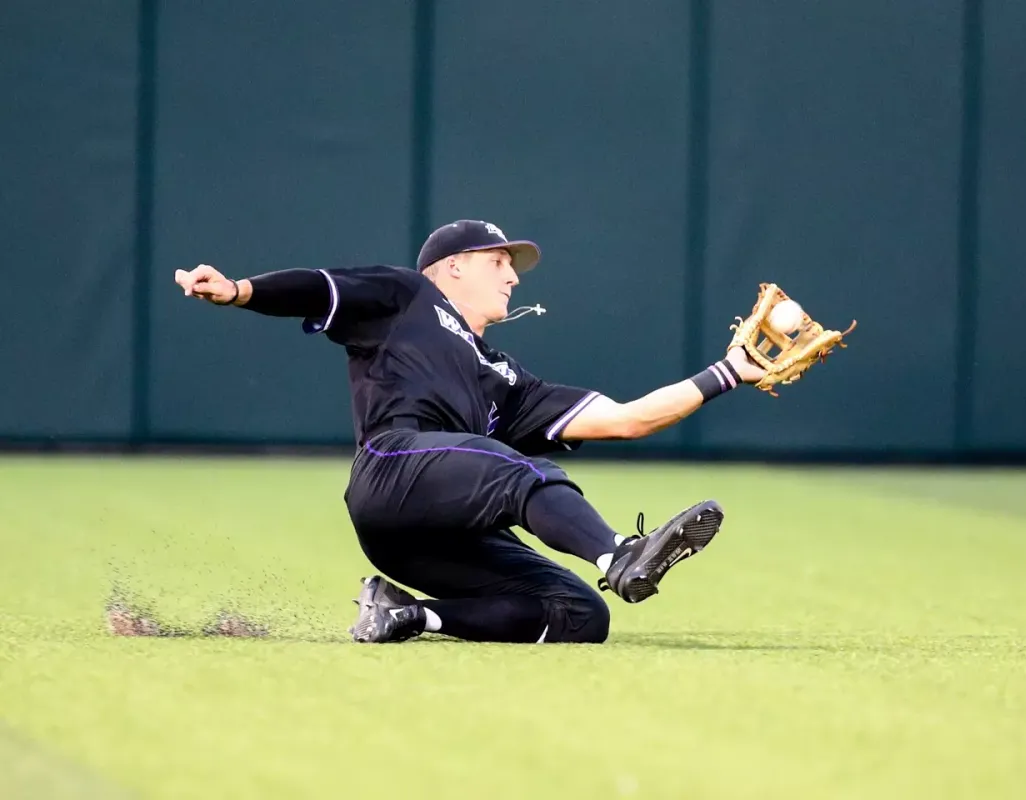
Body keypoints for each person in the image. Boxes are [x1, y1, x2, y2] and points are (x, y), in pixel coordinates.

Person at [174, 220, 766, 645]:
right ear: (453, 266)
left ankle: (407, 616)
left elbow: (629, 418)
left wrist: (730, 372)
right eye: (498, 261)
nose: (512, 276)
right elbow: (318, 286)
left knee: (581, 614)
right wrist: (239, 291)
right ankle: (620, 556)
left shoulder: (508, 381)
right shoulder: (410, 296)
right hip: (392, 469)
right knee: (516, 465)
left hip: (435, 537)